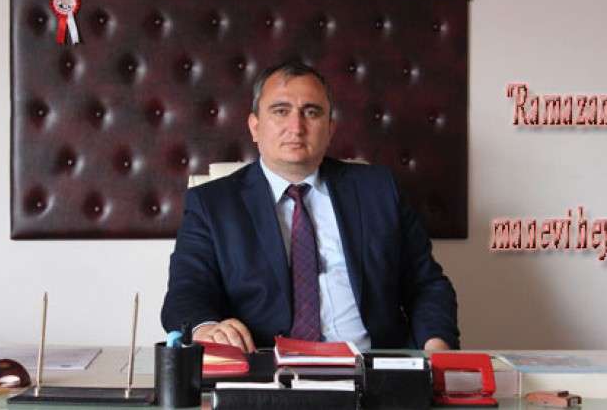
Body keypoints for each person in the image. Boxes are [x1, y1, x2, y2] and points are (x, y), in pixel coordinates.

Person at [160, 61, 459, 353]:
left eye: (311, 112)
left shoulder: (379, 190)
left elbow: (426, 284)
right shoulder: (212, 204)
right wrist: (207, 328)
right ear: (255, 127)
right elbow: (186, 291)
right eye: (281, 111)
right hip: (264, 369)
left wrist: (436, 348)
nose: (296, 127)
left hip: (371, 366)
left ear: (330, 129)